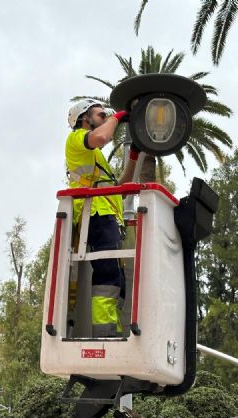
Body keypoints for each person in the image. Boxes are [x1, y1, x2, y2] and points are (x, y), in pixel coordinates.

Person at [66, 98, 139, 337]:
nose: (105, 118)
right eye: (100, 115)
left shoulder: (96, 157)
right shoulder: (76, 138)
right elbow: (101, 137)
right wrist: (117, 117)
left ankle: (113, 329)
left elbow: (121, 185)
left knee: (118, 280)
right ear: (83, 118)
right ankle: (105, 332)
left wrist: (135, 154)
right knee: (107, 274)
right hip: (95, 214)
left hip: (107, 217)